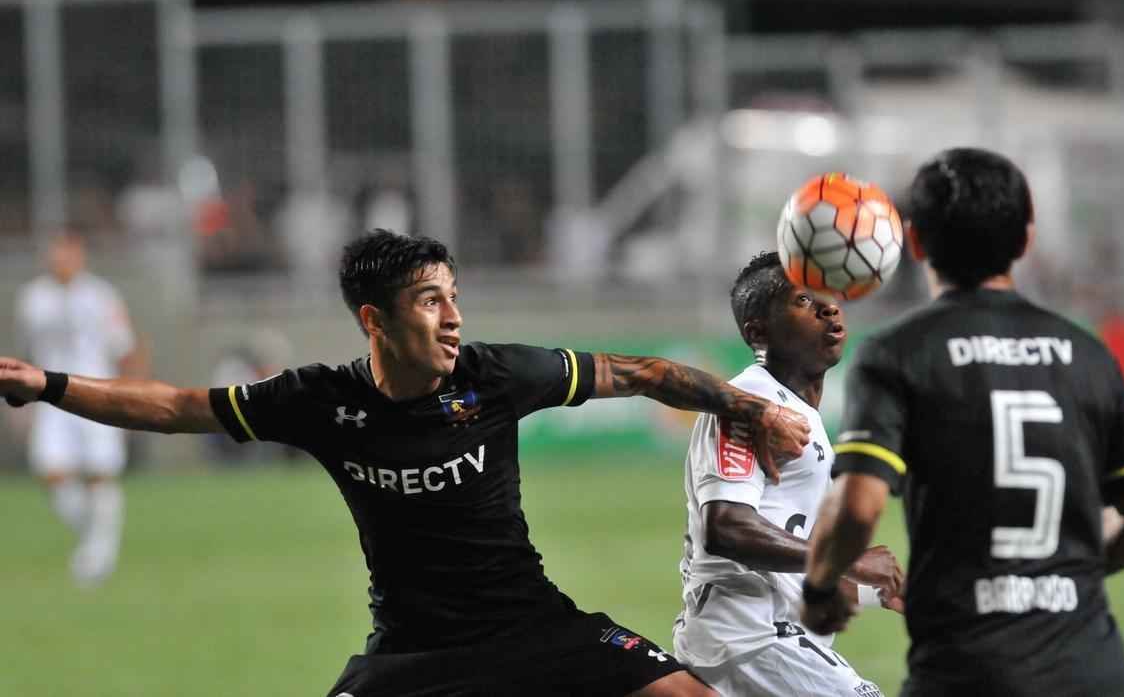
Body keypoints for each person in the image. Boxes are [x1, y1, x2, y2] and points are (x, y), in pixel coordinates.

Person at [1, 228, 813, 697]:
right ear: (375, 319)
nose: (453, 316)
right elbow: (177, 406)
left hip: (534, 627)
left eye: (454, 296)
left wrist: (751, 409)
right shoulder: (320, 399)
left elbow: (639, 372)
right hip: (412, 655)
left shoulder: (496, 375)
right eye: (431, 300)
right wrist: (49, 385)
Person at [799, 148, 1124, 697]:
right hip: (1092, 669)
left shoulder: (899, 353)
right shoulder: (1089, 354)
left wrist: (819, 587)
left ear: (916, 242)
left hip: (969, 668)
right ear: (1026, 239)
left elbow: (859, 506)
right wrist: (1070, 576)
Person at [673, 251, 903, 697]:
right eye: (803, 300)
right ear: (758, 332)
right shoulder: (749, 404)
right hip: (750, 641)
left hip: (764, 641)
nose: (829, 308)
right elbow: (725, 529)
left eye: (829, 296)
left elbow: (787, 569)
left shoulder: (797, 410)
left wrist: (879, 589)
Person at [14, 229, 138, 585]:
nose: (61, 258)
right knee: (51, 471)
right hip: (51, 397)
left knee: (100, 470)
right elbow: (26, 352)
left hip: (96, 392)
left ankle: (99, 553)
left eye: (68, 251)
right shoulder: (33, 298)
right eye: (56, 251)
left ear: (80, 254)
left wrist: (130, 396)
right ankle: (97, 540)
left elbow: (125, 347)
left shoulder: (101, 296)